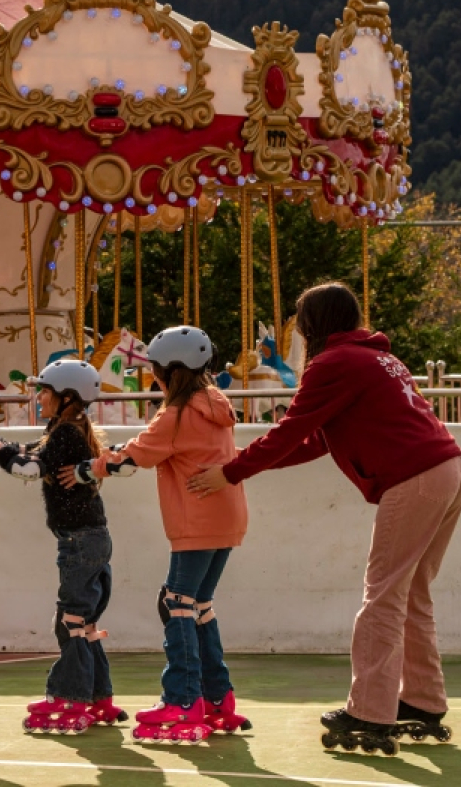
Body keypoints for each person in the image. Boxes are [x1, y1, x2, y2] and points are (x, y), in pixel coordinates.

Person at [188, 282, 461, 757]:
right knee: (411, 590)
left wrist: (230, 473)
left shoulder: (332, 364)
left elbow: (292, 429)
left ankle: (371, 712)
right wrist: (242, 465)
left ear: (314, 324)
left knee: (382, 596)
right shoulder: (377, 358)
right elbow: (315, 441)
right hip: (446, 470)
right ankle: (422, 700)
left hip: (414, 477)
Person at [65, 325, 250, 745]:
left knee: (176, 603)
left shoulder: (176, 414)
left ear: (170, 372)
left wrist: (86, 469)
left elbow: (134, 455)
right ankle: (218, 698)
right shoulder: (217, 404)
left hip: (196, 521)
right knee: (199, 603)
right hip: (228, 516)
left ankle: (183, 699)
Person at [0, 359, 126, 734]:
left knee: (70, 622)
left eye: (44, 391)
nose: (39, 397)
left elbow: (29, 468)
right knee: (85, 623)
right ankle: (98, 696)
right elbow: (33, 450)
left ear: (68, 397)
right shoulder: (68, 430)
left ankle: (70, 698)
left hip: (80, 541)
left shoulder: (66, 435)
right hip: (93, 538)